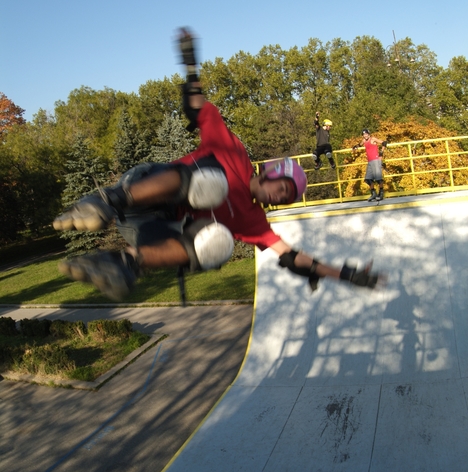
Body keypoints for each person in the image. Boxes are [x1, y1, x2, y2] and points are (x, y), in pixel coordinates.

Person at [53, 29, 384, 301]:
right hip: (145, 188)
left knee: (217, 245)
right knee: (212, 184)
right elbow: (198, 107)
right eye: (281, 189)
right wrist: (190, 64)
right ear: (271, 172)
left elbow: (291, 255)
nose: (278, 199)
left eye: (284, 200)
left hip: (149, 229)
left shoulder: (254, 221)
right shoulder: (233, 150)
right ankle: (107, 201)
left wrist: (347, 275)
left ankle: (124, 263)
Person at [353, 129, 387, 201]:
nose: (365, 136)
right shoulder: (364, 140)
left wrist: (381, 152)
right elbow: (360, 144)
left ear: (369, 134)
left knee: (378, 178)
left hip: (376, 160)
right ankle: (373, 193)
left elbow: (384, 142)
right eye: (364, 134)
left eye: (366, 134)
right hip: (370, 161)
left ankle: (381, 193)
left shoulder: (373, 139)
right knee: (368, 179)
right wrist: (356, 147)